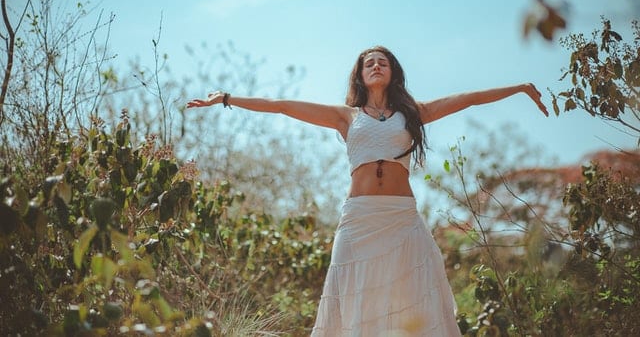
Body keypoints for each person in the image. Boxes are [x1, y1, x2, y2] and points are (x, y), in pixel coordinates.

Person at [186, 46, 548, 336]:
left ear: (393, 72)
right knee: (353, 297)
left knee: (412, 298)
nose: (376, 66)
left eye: (383, 62)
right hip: (359, 219)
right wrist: (228, 98)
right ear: (360, 74)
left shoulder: (413, 113)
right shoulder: (346, 116)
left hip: (401, 218)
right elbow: (281, 106)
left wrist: (517, 88)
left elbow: (468, 98)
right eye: (369, 63)